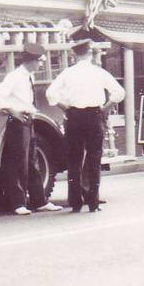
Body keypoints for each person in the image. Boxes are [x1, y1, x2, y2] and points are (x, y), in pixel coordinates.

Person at [45, 39, 125, 212]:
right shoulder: (99, 72)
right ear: (90, 54)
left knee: (73, 159)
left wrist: (65, 107)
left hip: (74, 116)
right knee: (94, 158)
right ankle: (93, 202)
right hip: (94, 116)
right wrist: (105, 109)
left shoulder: (67, 73)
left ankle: (75, 202)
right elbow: (119, 92)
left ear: (74, 55)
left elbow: (50, 93)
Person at [0, 42, 64, 215]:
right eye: (39, 61)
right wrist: (13, 112)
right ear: (31, 60)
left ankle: (39, 201)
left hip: (28, 120)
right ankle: (18, 204)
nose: (40, 65)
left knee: (32, 161)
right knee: (18, 163)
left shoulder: (28, 76)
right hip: (18, 122)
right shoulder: (15, 76)